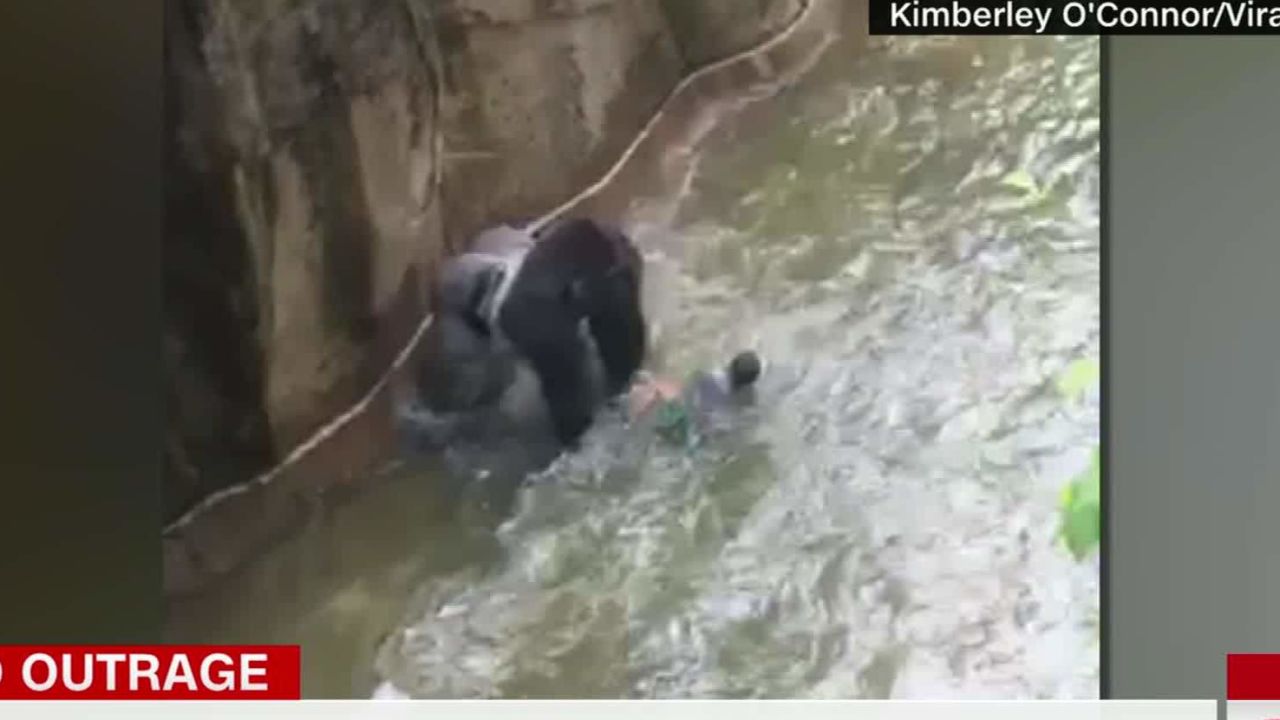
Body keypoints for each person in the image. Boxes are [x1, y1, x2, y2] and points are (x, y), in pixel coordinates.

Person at [627, 350, 763, 447]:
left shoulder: (706, 375)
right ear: (749, 382)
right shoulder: (744, 399)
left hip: (679, 414)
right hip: (700, 432)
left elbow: (685, 390)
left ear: (731, 364)